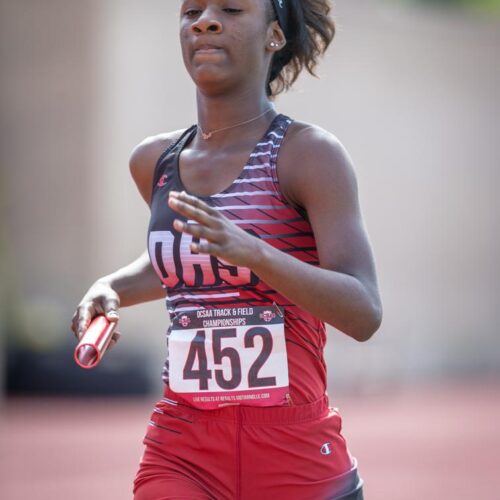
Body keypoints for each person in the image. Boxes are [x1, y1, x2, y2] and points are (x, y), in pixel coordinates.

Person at [71, 0, 382, 498]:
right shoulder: (154, 161)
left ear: (274, 36)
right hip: (182, 445)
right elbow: (184, 261)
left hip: (296, 453)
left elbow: (364, 312)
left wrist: (256, 253)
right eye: (191, 10)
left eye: (232, 9)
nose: (205, 21)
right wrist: (110, 286)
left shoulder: (309, 155)